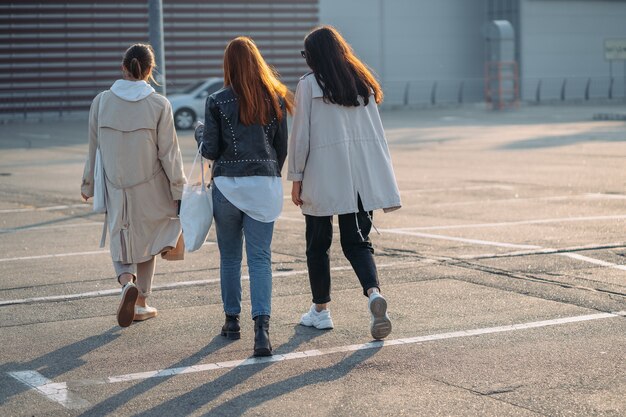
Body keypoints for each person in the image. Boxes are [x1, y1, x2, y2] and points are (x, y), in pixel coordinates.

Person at [288, 26, 401, 340]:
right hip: (361, 180)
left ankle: (321, 311)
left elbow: (301, 139)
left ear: (314, 56)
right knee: (357, 243)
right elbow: (377, 137)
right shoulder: (362, 83)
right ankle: (374, 294)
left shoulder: (309, 85)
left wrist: (295, 178)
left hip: (323, 177)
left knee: (317, 245)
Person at [194, 37, 293, 357]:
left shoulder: (217, 100)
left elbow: (209, 150)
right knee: (261, 259)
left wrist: (199, 132)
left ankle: (231, 321)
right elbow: (282, 150)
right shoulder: (275, 98)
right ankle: (262, 331)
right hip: (264, 188)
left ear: (229, 65)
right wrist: (266, 172)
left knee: (230, 258)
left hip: (228, 188)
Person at [81, 43, 186, 328]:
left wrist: (88, 185)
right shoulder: (159, 104)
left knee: (121, 237)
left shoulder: (101, 102)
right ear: (150, 71)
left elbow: (94, 147)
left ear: (123, 67)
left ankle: (126, 283)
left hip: (115, 186)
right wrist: (179, 189)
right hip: (150, 185)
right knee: (149, 240)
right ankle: (140, 301)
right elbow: (169, 153)